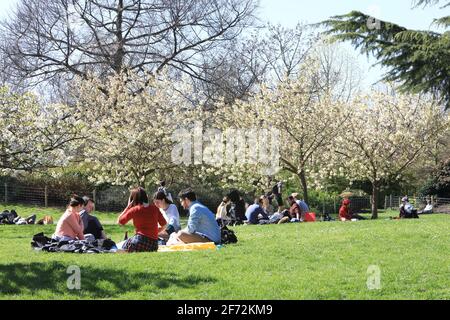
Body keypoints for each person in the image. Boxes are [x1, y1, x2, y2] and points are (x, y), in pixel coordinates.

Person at [118, 187, 167, 252]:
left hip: (139, 242)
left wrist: (128, 207)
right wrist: (154, 232)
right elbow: (164, 225)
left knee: (122, 246)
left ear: (133, 199)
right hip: (154, 245)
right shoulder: (155, 209)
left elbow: (120, 222)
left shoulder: (135, 210)